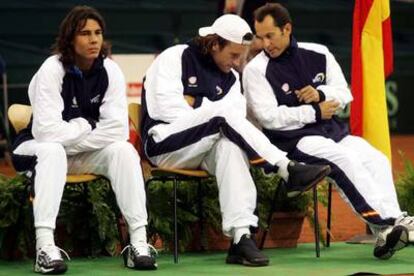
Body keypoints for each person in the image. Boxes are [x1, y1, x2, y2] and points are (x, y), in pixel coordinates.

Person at [140, 13, 331, 267]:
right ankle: (286, 169)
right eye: (234, 55)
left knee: (230, 145)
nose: (239, 62)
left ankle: (241, 238)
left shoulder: (231, 78)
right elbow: (165, 109)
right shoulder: (175, 57)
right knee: (221, 116)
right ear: (215, 44)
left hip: (205, 143)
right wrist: (208, 110)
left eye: (242, 55)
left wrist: (195, 103)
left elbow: (236, 120)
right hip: (166, 143)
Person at [243, 3, 414, 260]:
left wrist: (320, 93)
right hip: (293, 142)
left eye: (270, 35)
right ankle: (389, 222)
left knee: (376, 159)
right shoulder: (256, 70)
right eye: (260, 36)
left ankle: (387, 232)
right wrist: (314, 111)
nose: (265, 43)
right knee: (342, 159)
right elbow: (269, 119)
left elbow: (345, 93)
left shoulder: (319, 53)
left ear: (287, 29)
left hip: (332, 131)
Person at [11, 6, 157, 273]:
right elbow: (45, 132)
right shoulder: (52, 70)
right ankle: (45, 248)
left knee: (123, 151)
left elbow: (117, 131)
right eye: (85, 33)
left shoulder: (110, 70)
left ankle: (138, 243)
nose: (93, 39)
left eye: (98, 33)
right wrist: (84, 125)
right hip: (33, 149)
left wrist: (73, 134)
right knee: (53, 150)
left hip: (76, 153)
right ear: (70, 39)